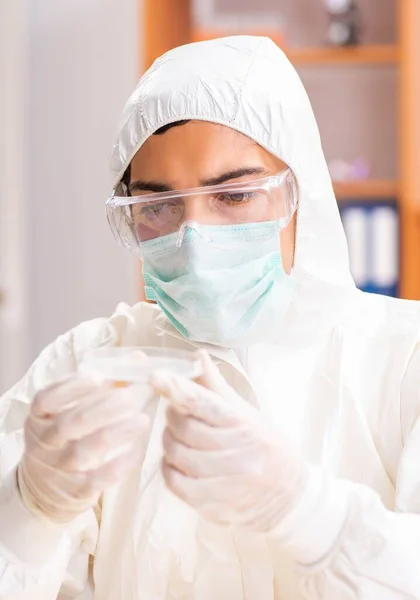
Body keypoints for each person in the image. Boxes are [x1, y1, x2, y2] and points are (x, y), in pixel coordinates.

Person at [0, 35, 419, 600]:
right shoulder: (85, 368)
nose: (193, 241)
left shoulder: (402, 358)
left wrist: (308, 513)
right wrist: (28, 510)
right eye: (157, 206)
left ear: (302, 194)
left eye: (235, 196)